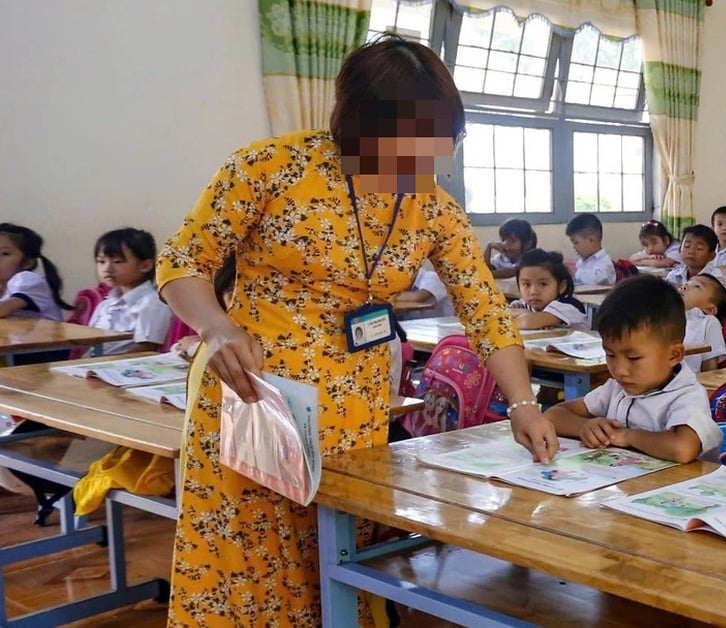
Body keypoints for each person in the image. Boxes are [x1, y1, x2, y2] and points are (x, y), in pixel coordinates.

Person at [156, 35, 557, 625]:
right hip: (254, 399)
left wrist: (523, 403)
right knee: (248, 561)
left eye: (435, 150)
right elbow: (183, 260)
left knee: (337, 555)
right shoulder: (270, 167)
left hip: (355, 408)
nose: (419, 167)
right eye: (405, 150)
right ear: (359, 126)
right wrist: (215, 327)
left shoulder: (432, 206)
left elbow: (486, 312)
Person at [544, 275, 722, 463]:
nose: (620, 370)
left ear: (674, 355)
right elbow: (553, 415)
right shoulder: (616, 389)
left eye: (634, 358)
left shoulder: (686, 395)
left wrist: (627, 436)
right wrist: (584, 426)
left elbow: (683, 448)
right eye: (611, 355)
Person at [88, 228, 174, 355]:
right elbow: (86, 342)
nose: (107, 268)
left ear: (145, 266)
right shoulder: (106, 304)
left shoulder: (152, 302)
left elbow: (146, 348)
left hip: (120, 368)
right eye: (101, 261)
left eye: (117, 261)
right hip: (91, 365)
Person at [0, 223, 73, 364]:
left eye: (4, 254)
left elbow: (2, 310)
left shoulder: (27, 279)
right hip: (18, 350)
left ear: (27, 262)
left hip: (42, 354)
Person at [508, 249, 588, 332]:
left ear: (561, 286)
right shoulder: (523, 304)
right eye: (527, 284)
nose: (533, 292)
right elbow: (501, 313)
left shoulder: (567, 306)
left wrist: (524, 315)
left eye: (543, 284)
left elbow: (526, 322)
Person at [680, 274, 726, 372]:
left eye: (697, 286)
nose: (684, 287)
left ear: (710, 309)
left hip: (688, 382)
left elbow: (710, 366)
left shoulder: (709, 322)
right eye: (686, 284)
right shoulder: (667, 315)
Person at [565, 213, 616, 286]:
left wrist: (575, 272)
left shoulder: (605, 263)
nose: (574, 247)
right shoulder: (582, 262)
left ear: (591, 240)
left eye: (576, 242)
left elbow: (596, 280)